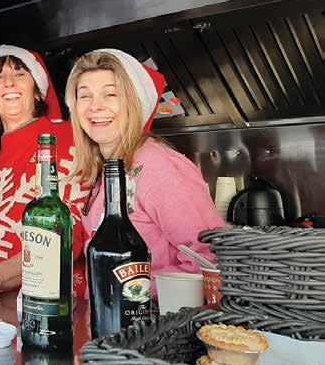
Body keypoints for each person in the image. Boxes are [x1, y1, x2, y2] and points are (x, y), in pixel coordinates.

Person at [64, 48, 222, 277]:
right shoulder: (106, 169)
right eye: (85, 96)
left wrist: (143, 293)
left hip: (154, 302)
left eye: (111, 94)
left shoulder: (157, 166)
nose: (95, 106)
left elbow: (210, 256)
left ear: (135, 103)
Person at [0, 45, 90, 306]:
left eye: (19, 74)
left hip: (42, 307)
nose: (8, 82)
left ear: (38, 91)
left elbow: (64, 237)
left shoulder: (64, 138)